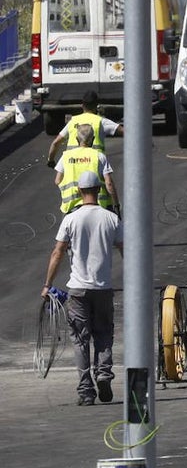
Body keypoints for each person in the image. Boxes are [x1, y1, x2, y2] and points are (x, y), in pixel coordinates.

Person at [42, 170, 124, 406]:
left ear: (79, 191)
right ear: (99, 190)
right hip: (103, 288)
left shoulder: (71, 219)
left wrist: (48, 284)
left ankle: (86, 391)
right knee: (104, 333)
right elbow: (124, 248)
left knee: (80, 339)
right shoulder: (111, 219)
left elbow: (57, 252)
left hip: (78, 289)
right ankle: (104, 374)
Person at [46, 90, 123, 168]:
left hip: (72, 165)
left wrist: (51, 160)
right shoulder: (101, 121)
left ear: (82, 106)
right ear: (97, 106)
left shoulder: (73, 121)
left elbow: (56, 143)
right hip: (94, 164)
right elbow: (124, 131)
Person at [55, 123, 118, 214]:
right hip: (97, 206)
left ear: (77, 139)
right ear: (93, 139)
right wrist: (116, 205)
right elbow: (109, 184)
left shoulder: (66, 156)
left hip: (71, 208)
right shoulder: (99, 156)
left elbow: (57, 180)